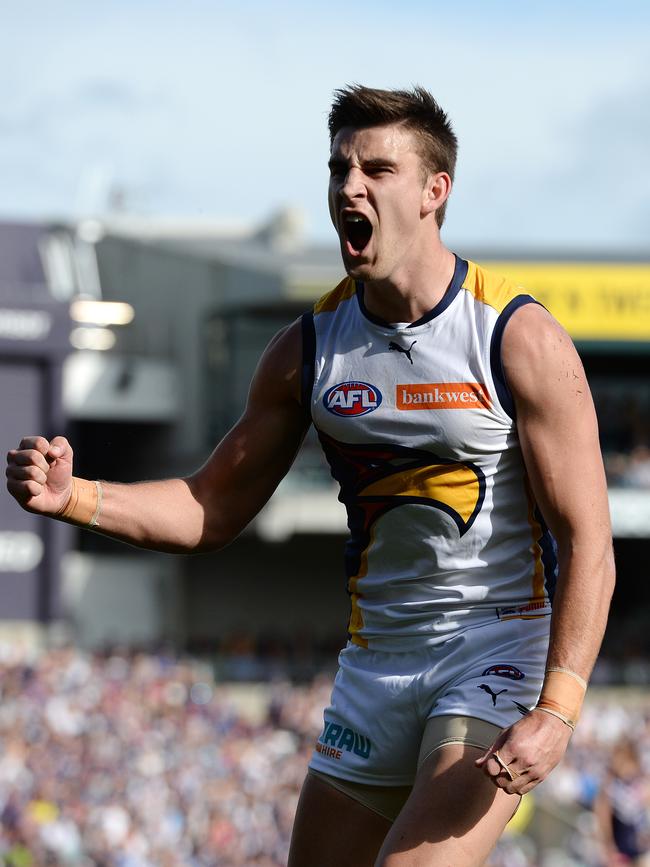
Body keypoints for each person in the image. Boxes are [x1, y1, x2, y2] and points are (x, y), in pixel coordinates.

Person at [6, 85, 615, 866]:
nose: (348, 188)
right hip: (375, 668)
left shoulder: (518, 338)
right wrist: (77, 497)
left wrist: (559, 708)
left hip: (493, 653)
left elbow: (588, 538)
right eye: (338, 169)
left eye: (377, 169)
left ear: (436, 192)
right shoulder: (308, 350)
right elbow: (209, 505)